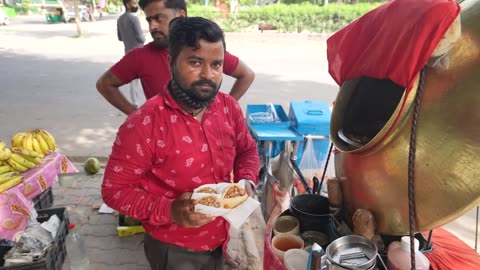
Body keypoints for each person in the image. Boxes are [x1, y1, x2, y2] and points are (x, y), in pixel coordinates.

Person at [101, 17, 259, 270]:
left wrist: (247, 180)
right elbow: (114, 191)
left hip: (223, 238)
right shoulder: (143, 124)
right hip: (174, 250)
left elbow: (247, 149)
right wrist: (170, 210)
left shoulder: (228, 107)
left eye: (216, 64)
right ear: (171, 62)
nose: (208, 75)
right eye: (195, 62)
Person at [96, 0, 255, 115]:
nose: (153, 27)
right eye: (149, 20)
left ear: (181, 16)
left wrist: (223, 109)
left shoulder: (205, 50)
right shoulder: (140, 57)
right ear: (170, 62)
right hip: (164, 142)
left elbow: (246, 74)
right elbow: (105, 84)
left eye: (159, 18)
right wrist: (137, 115)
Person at [117, 0, 145, 107]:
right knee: (146, 76)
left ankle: (135, 103)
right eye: (134, 3)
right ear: (128, 4)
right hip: (138, 51)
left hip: (128, 51)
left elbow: (119, 38)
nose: (136, 5)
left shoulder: (120, 19)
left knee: (134, 80)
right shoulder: (134, 18)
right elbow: (141, 38)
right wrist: (144, 36)